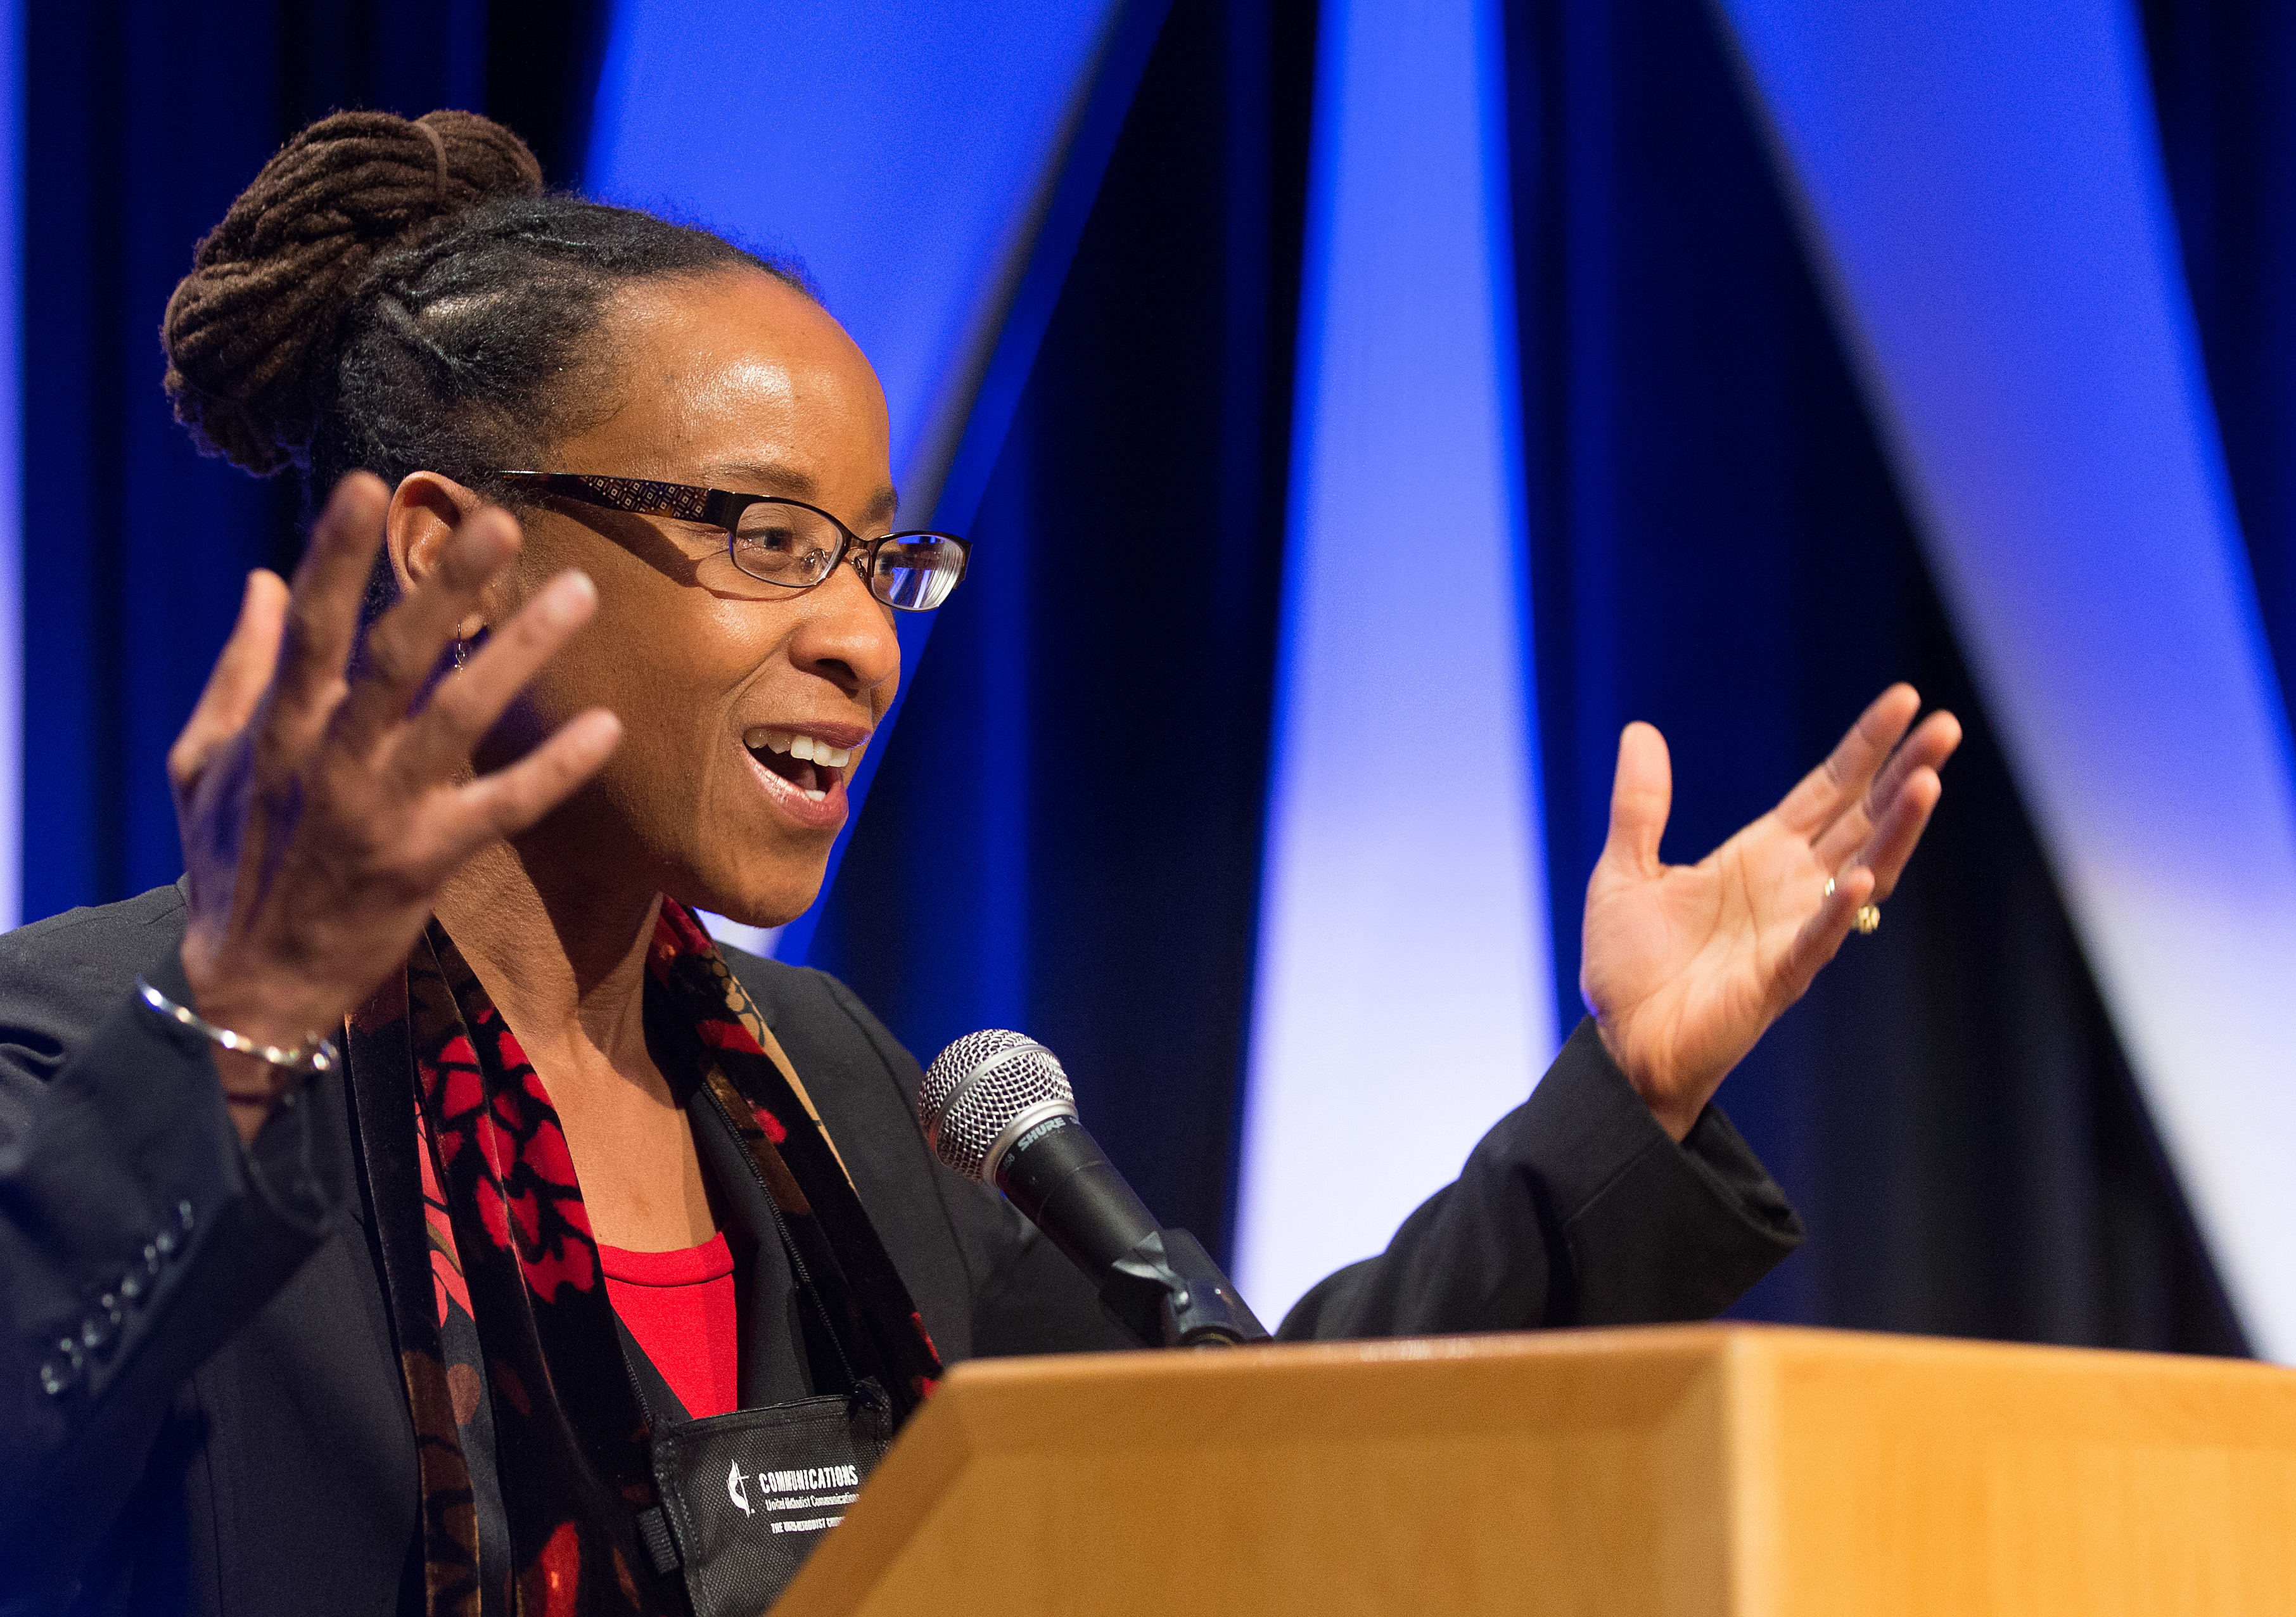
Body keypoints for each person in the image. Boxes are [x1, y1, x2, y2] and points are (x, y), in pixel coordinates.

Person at [0, 110, 1961, 1616]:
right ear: (445, 547)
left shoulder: (827, 1097)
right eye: (764, 536)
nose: (865, 636)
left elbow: (1233, 1473)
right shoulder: (93, 1041)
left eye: (882, 558)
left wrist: (1624, 1100)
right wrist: (235, 1021)